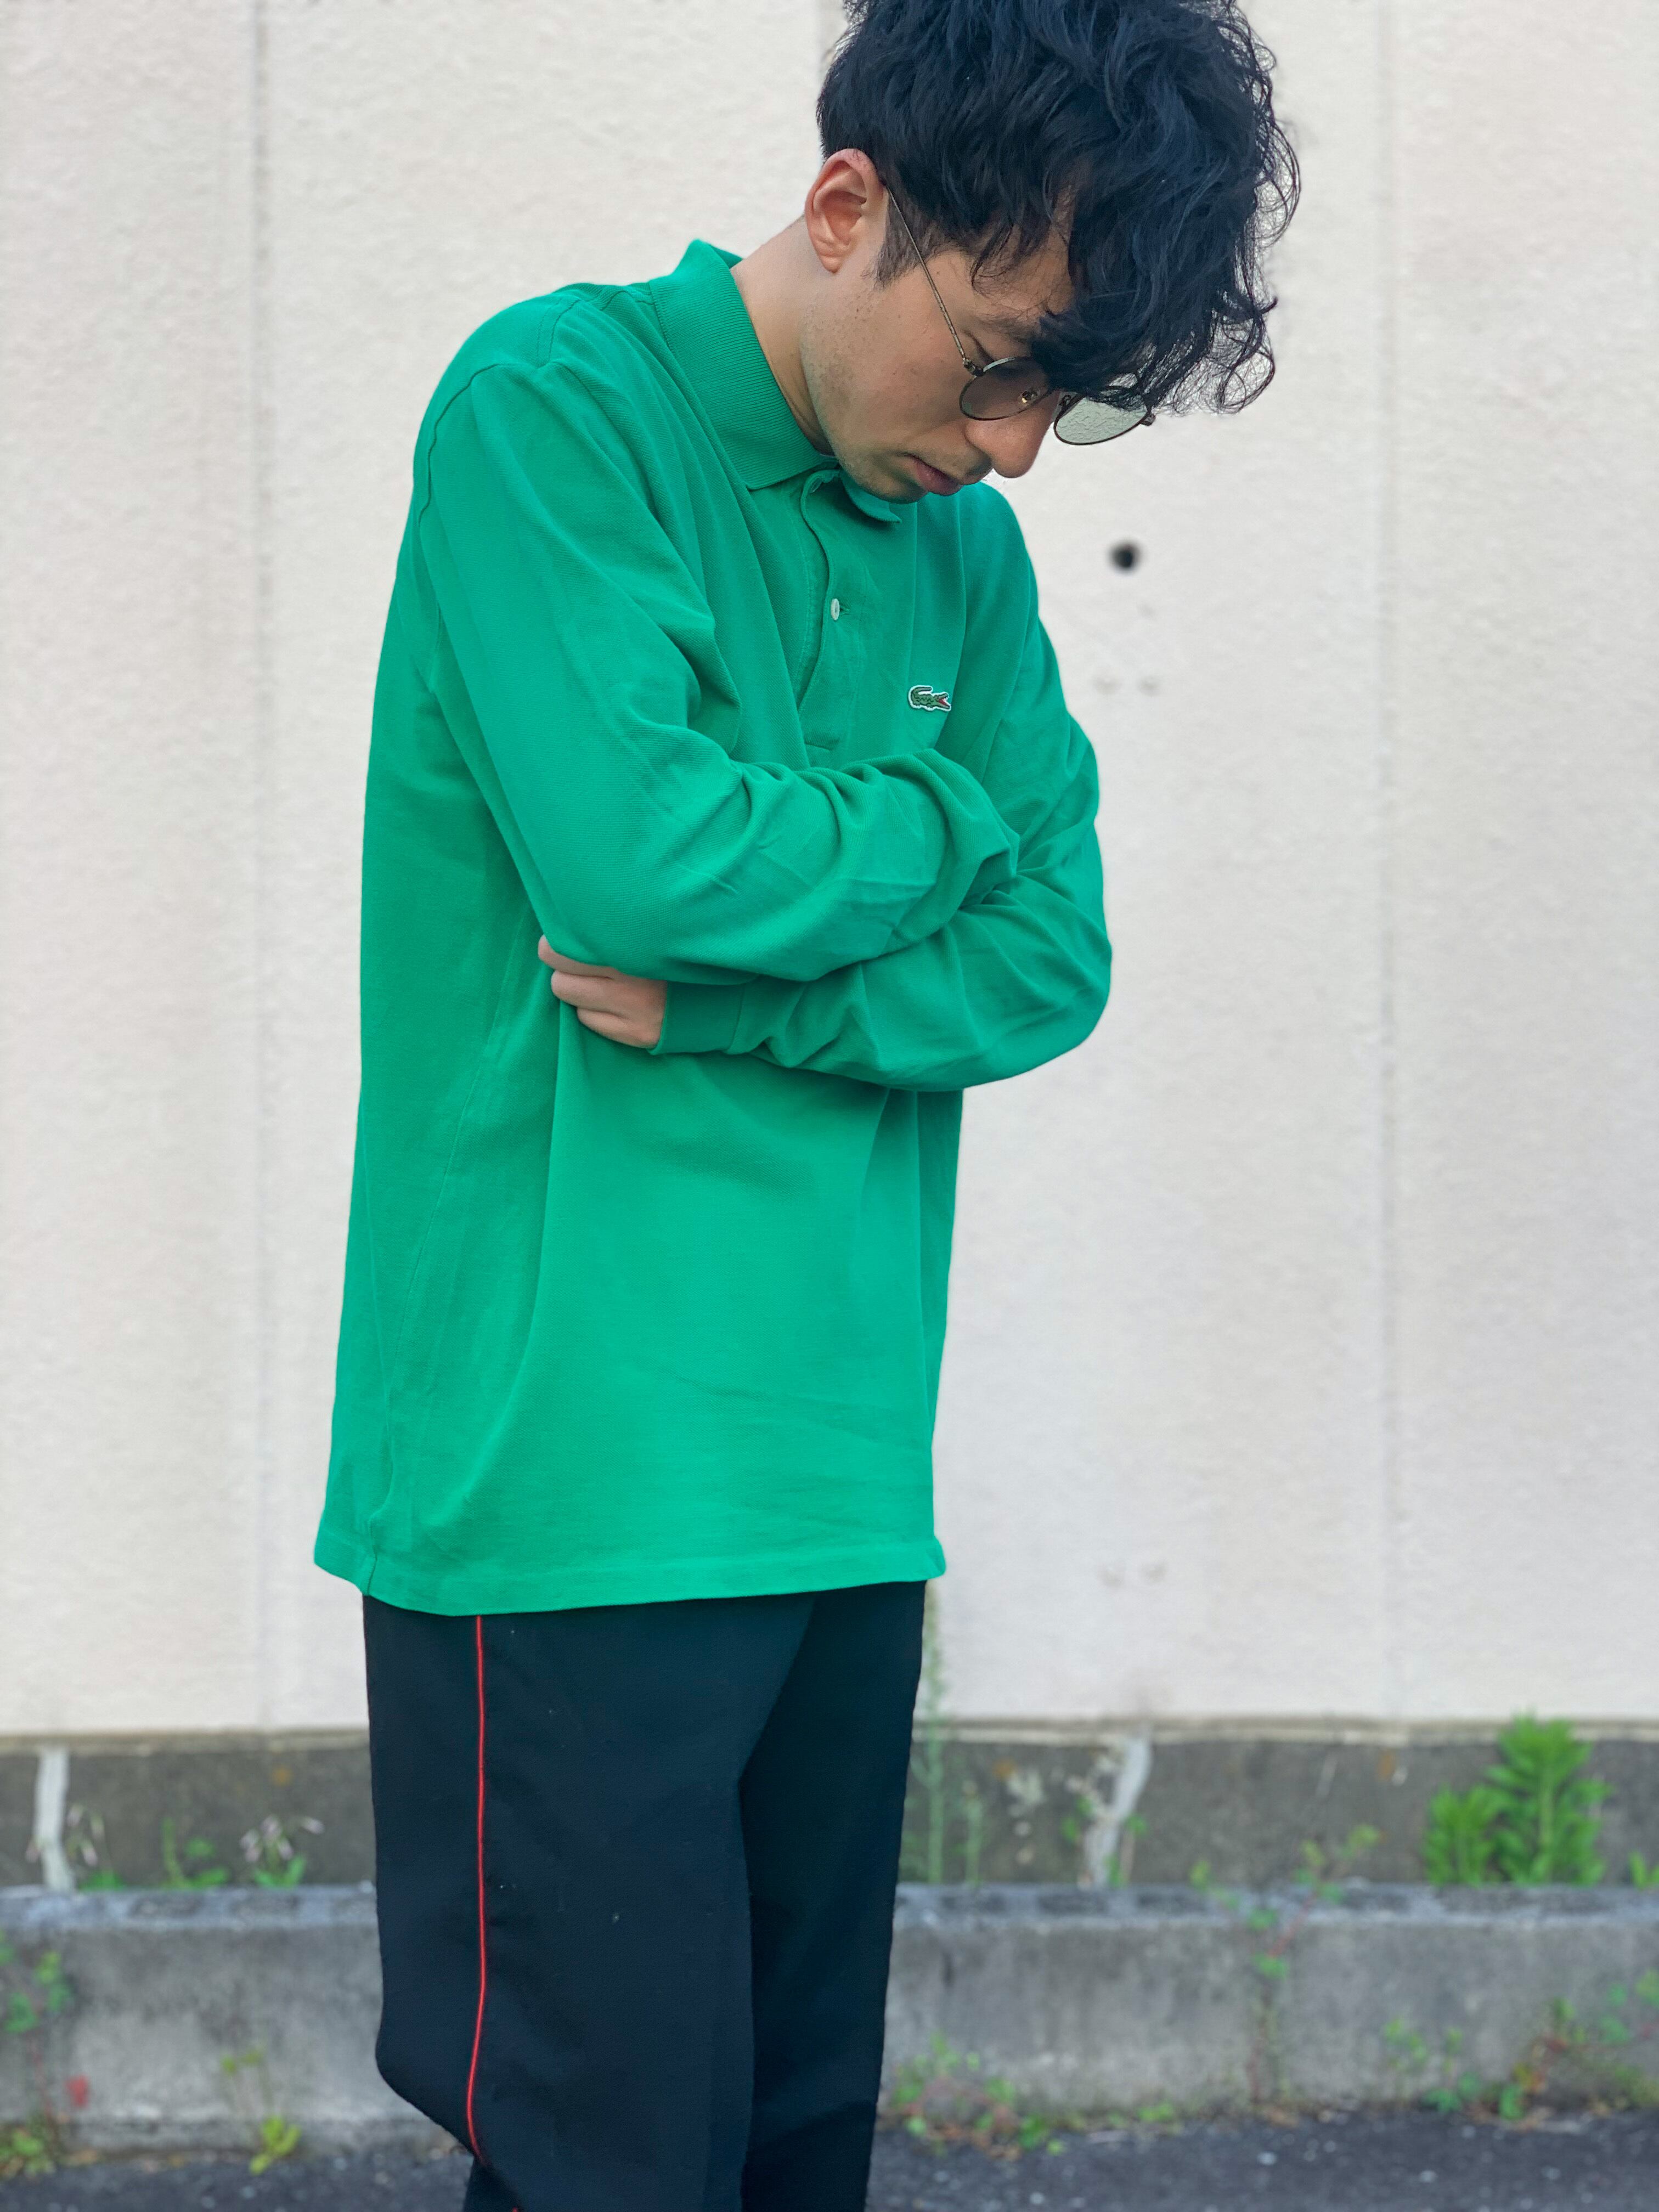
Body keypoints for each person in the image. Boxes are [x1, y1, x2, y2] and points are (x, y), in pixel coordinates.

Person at [311, 1, 1297, 2204]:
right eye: (1004, 362)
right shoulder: (557, 409)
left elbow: (1054, 955)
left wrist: (751, 1005)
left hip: (840, 1474)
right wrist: (940, 821)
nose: (1016, 447)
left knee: (784, 2151)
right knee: (605, 2158)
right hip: (565, 1473)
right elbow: (638, 860)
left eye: (1075, 404)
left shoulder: (960, 549)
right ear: (851, 206)